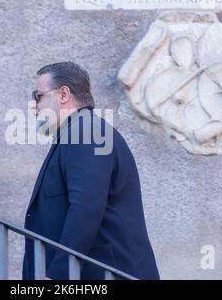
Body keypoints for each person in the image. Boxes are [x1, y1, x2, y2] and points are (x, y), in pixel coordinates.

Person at [22, 62, 159, 280]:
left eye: (38, 96)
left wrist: (58, 274)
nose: (33, 105)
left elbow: (86, 208)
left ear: (63, 94)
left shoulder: (87, 132)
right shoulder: (78, 133)